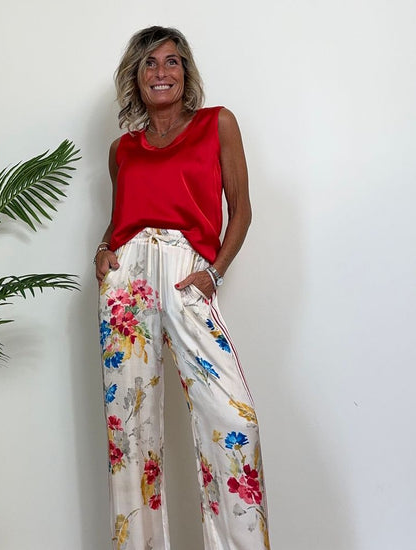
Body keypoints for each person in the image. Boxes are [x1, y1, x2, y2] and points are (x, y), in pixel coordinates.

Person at [95, 26, 270, 550]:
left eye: (171, 61)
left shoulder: (218, 124)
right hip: (127, 287)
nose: (161, 72)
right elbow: (120, 220)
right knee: (130, 432)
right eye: (149, 63)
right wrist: (102, 251)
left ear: (186, 72)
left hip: (187, 273)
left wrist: (214, 273)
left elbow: (241, 210)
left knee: (235, 419)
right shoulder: (121, 149)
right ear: (136, 76)